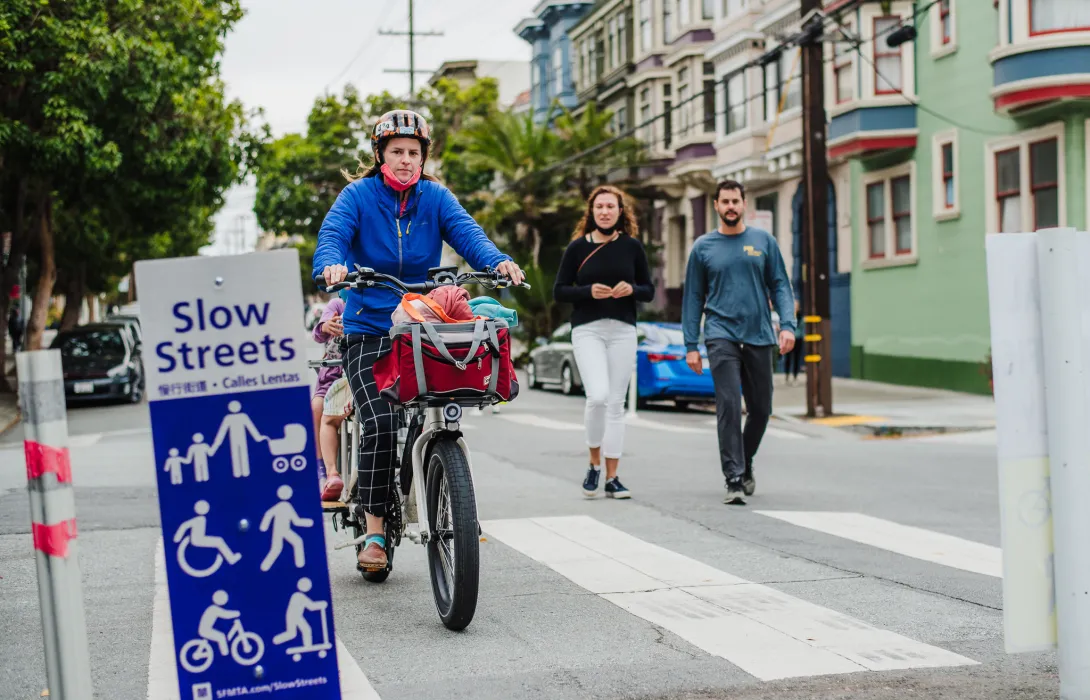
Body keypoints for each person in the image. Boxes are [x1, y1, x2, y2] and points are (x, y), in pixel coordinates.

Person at [313, 109, 524, 572]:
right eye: (397, 152)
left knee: (437, 404)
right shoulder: (358, 196)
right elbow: (331, 237)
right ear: (380, 155)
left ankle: (431, 474)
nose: (406, 160)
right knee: (382, 423)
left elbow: (470, 236)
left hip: (421, 327)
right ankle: (373, 532)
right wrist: (332, 265)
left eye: (414, 153)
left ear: (423, 157)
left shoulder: (435, 197)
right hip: (368, 330)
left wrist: (498, 262)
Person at [682, 179, 796, 506]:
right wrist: (691, 344)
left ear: (743, 204)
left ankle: (745, 463)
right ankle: (733, 477)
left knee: (761, 409)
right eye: (725, 202)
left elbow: (781, 286)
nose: (730, 207)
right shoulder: (703, 247)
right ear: (716, 206)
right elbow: (692, 298)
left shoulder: (764, 242)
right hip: (720, 334)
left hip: (760, 334)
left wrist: (787, 326)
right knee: (730, 405)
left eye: (735, 201)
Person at [553, 185, 654, 500]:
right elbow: (560, 291)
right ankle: (593, 463)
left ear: (620, 211)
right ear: (592, 212)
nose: (605, 212)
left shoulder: (632, 247)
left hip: (623, 329)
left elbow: (649, 289)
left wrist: (632, 290)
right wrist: (588, 291)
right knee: (597, 396)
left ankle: (612, 477)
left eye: (611, 206)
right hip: (588, 330)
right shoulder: (577, 249)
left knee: (616, 403)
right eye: (600, 207)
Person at [312, 291, 347, 500]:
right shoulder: (338, 304)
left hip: (359, 373)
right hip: (332, 376)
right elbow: (319, 332)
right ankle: (324, 470)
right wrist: (326, 326)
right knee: (317, 408)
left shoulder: (379, 302)